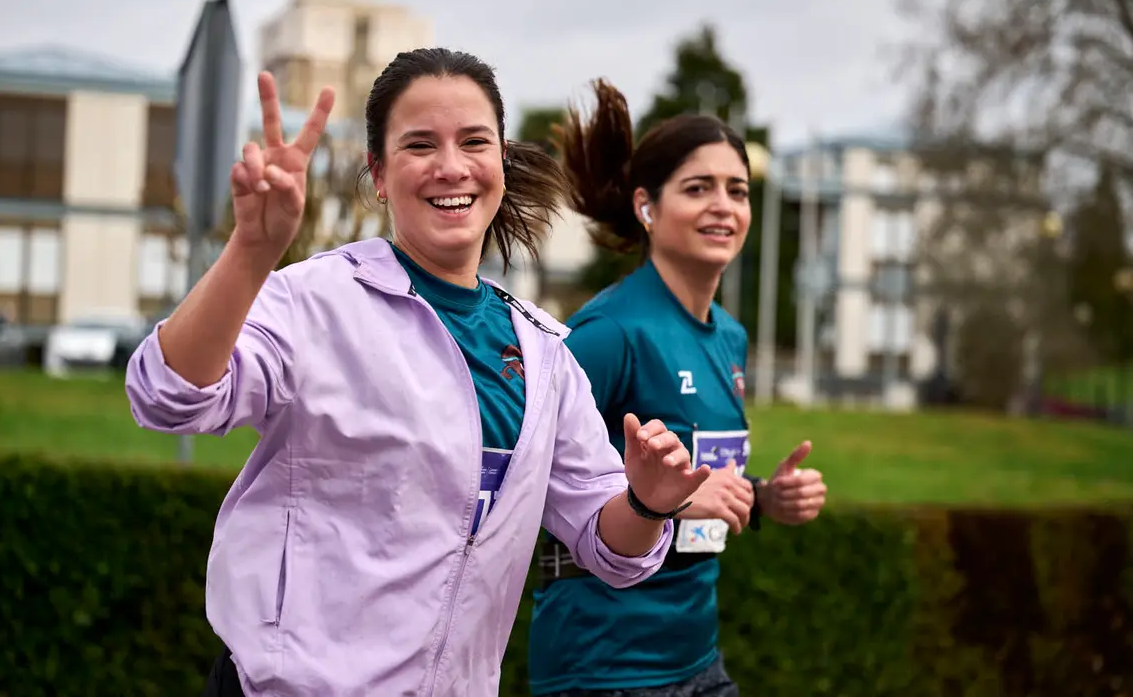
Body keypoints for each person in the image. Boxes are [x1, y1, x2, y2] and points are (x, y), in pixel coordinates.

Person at [124, 49, 714, 697]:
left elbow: (612, 552)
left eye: (473, 142)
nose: (451, 167)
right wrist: (251, 252)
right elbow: (168, 397)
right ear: (378, 173)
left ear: (502, 162)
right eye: (419, 145)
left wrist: (646, 502)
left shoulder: (545, 353)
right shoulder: (316, 301)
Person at [526, 80, 829, 697]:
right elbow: (530, 482)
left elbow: (700, 481)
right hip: (604, 667)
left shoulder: (730, 339)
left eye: (737, 190)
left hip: (696, 659)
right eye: (698, 188)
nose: (724, 205)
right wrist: (658, 503)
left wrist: (763, 499)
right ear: (647, 207)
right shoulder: (610, 332)